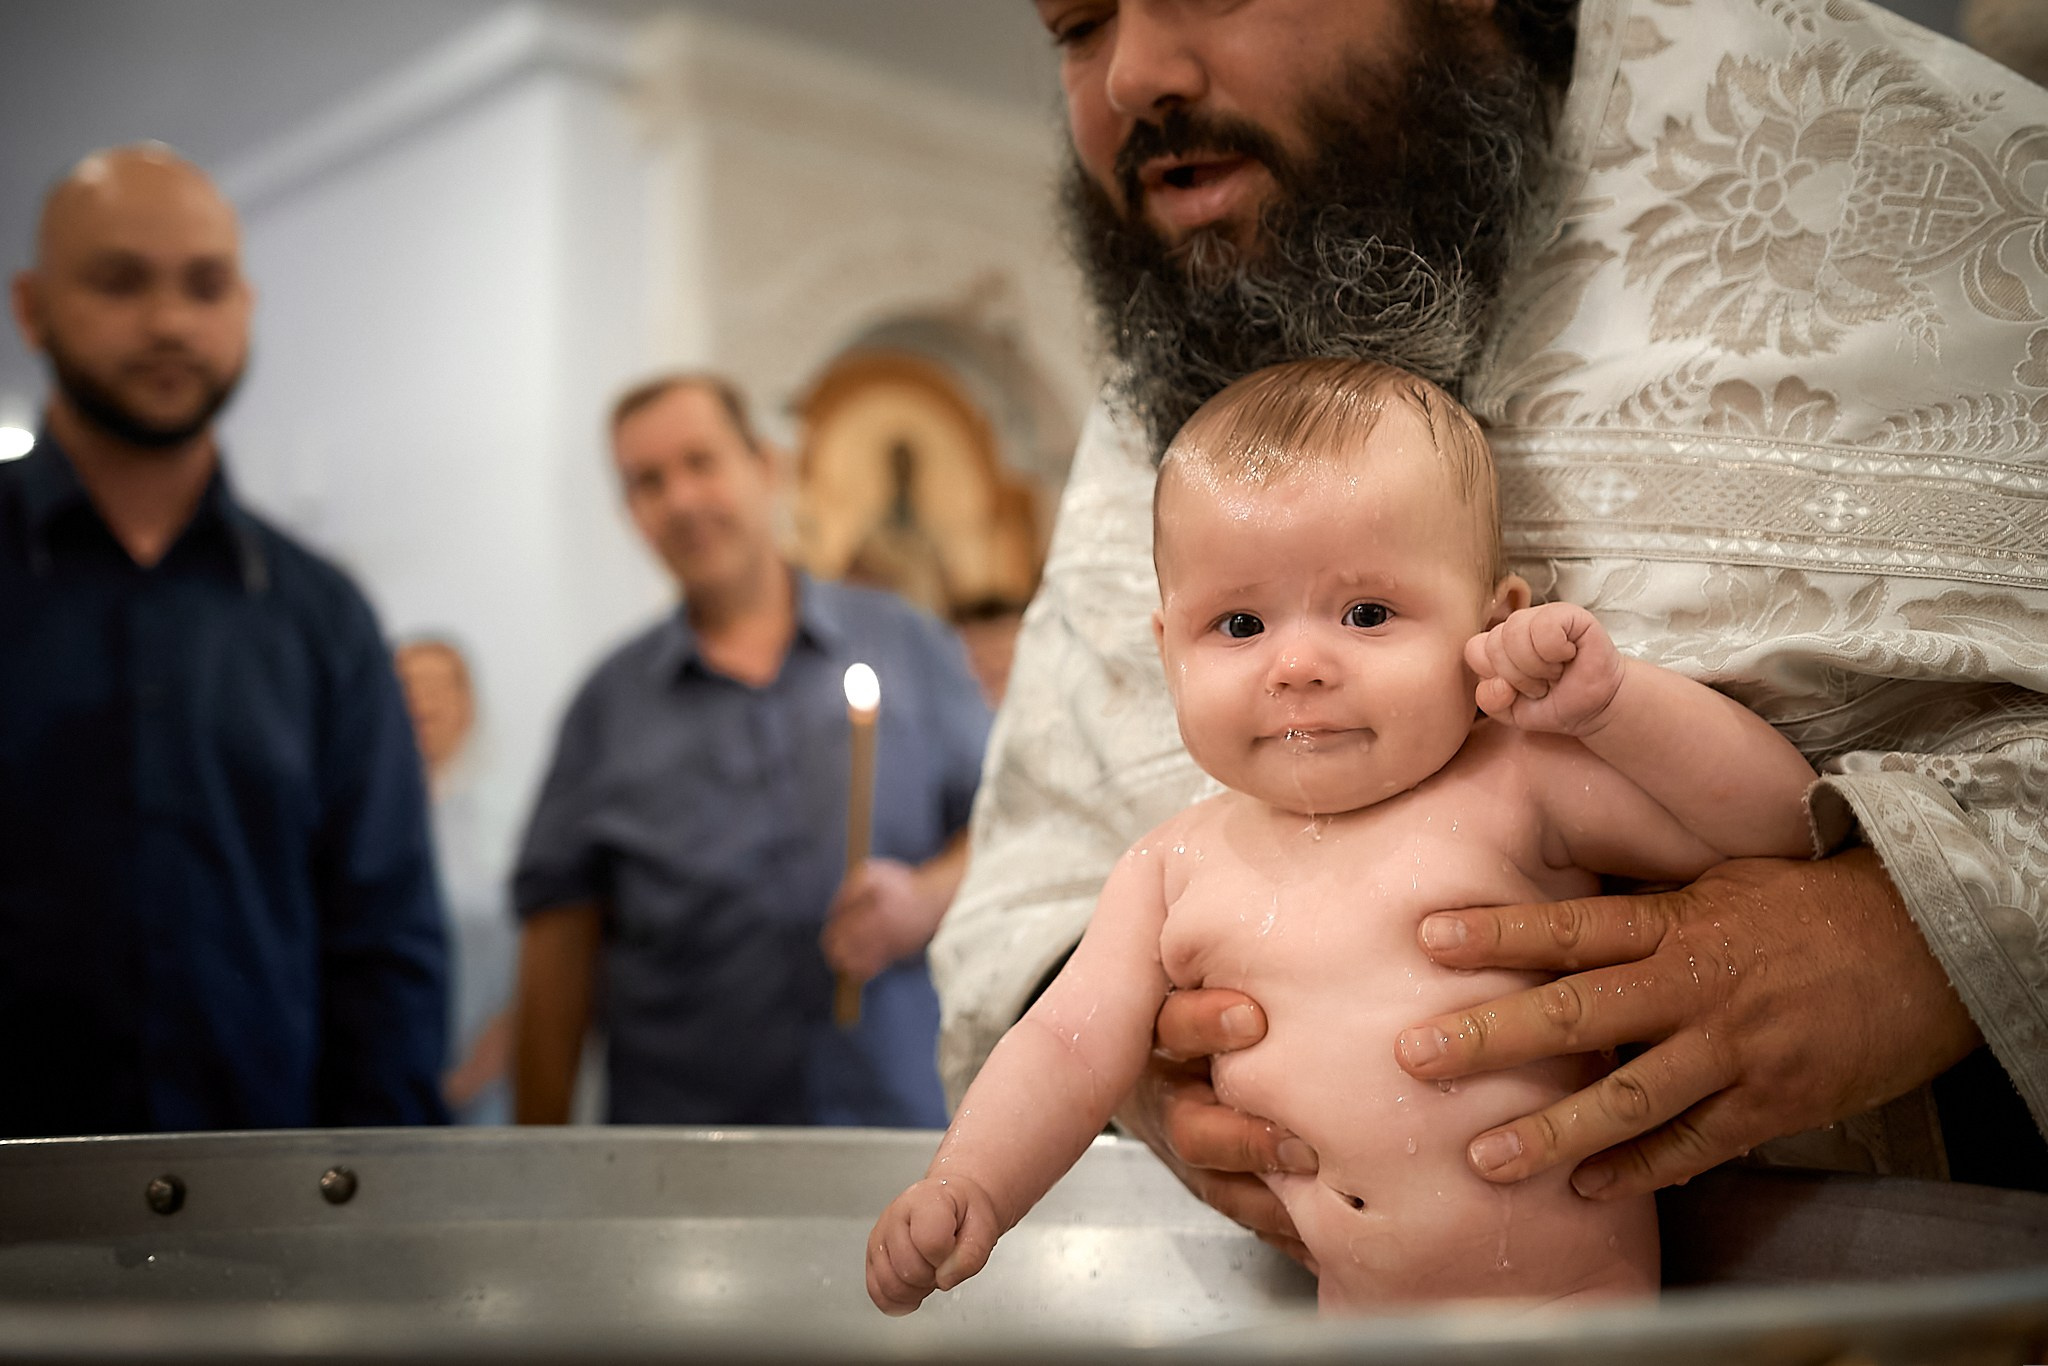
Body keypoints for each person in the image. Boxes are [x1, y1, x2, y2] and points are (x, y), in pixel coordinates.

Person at [935, 0, 2048, 1261]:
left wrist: (1917, 940)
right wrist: (1141, 1069)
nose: (1132, 73)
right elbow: (1030, 897)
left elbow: (1764, 815)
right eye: (1073, 26)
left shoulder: (1928, 172)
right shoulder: (1181, 395)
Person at [871, 359, 1813, 1314]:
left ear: (1496, 622)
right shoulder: (1170, 868)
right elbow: (1071, 1047)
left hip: (1576, 1312)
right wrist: (968, 1185)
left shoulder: (1517, 783)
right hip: (1348, 1321)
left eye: (1367, 613)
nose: (1297, 666)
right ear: (1167, 652)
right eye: (1239, 623)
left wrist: (1618, 706)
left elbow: (1780, 824)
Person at [0, 144, 448, 1136]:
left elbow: (385, 945)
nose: (168, 321)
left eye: (204, 285)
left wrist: (375, 1217)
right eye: (120, 281)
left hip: (263, 1230)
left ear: (242, 306)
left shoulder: (323, 615)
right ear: (30, 309)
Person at [512, 374, 991, 1128]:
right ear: (631, 513)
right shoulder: (607, 705)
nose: (681, 500)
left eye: (701, 462)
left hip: (898, 1121)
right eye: (648, 482)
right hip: (685, 1143)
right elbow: (559, 940)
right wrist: (533, 1159)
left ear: (766, 466)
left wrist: (925, 898)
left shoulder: (904, 642)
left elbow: (1009, 824)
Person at [395, 636, 516, 1125]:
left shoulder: (511, 825)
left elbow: (541, 960)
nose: (421, 702)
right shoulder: (353, 832)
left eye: (437, 687)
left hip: (490, 1083)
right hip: (386, 1084)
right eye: (405, 688)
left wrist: (490, 1058)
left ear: (467, 706)